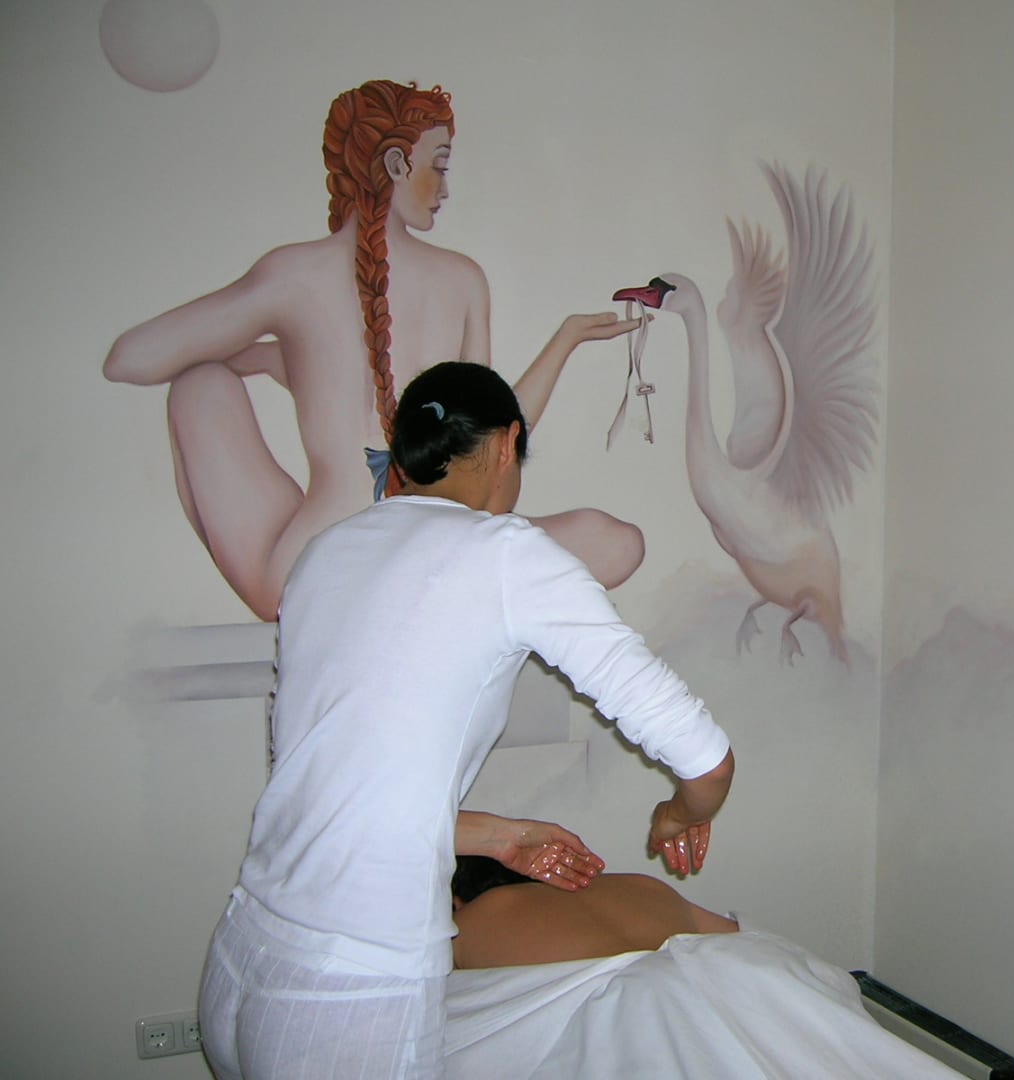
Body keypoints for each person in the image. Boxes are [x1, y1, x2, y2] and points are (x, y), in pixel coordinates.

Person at [197, 361, 735, 1079]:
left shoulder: (326, 553)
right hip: (349, 992)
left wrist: (499, 837)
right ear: (508, 443)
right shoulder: (506, 552)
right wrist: (681, 812)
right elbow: (706, 760)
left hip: (242, 957)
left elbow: (330, 788)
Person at [104, 79, 644, 621]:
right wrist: (566, 339)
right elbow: (488, 439)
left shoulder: (291, 274)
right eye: (440, 165)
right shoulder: (462, 279)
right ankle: (444, 593)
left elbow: (130, 358)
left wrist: (264, 351)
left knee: (199, 385)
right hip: (431, 557)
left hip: (312, 572)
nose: (445, 188)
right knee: (616, 542)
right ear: (395, 164)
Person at [449, 855, 738, 970]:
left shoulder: (464, 926)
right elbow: (738, 935)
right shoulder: (644, 885)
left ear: (455, 901)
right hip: (706, 1001)